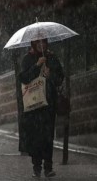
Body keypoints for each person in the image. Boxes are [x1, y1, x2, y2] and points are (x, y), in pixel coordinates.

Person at [19, 38, 64, 178]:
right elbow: (24, 78)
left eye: (43, 42)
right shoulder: (27, 59)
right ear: (33, 43)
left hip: (48, 104)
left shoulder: (51, 57)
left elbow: (60, 78)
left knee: (48, 136)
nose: (41, 44)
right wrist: (37, 66)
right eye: (38, 42)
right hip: (34, 105)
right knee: (36, 136)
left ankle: (48, 167)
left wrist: (50, 75)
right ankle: (36, 167)